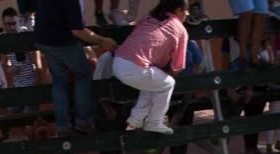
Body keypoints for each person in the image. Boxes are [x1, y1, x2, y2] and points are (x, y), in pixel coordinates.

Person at [34, 0, 118, 135]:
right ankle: (83, 121)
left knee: (59, 81)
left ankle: (63, 126)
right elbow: (78, 30)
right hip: (63, 41)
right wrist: (102, 41)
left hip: (44, 40)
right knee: (83, 74)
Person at [113, 0, 190, 135]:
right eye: (186, 10)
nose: (188, 14)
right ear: (178, 11)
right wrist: (168, 74)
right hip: (134, 67)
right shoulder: (180, 29)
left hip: (118, 61)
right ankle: (154, 122)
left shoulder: (148, 18)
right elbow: (177, 66)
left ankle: (135, 120)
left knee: (154, 82)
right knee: (167, 83)